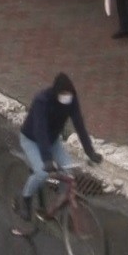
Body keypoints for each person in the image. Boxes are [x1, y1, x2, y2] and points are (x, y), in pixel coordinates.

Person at [14, 73, 103, 232]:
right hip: (31, 140)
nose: (67, 98)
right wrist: (47, 159)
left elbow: (79, 125)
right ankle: (25, 200)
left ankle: (59, 206)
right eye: (63, 94)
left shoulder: (71, 100)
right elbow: (40, 130)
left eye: (69, 94)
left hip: (53, 141)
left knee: (68, 173)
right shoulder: (42, 101)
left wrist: (90, 152)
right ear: (55, 92)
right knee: (41, 173)